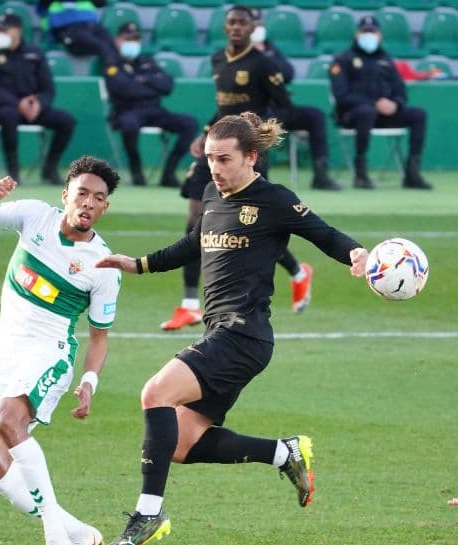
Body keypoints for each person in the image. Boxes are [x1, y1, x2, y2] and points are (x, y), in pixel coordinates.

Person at [95, 113, 369, 545]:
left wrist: (356, 253)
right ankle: (283, 453)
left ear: (251, 157)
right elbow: (192, 244)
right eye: (209, 158)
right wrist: (139, 264)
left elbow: (324, 234)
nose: (215, 168)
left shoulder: (275, 199)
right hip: (224, 334)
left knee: (156, 393)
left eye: (224, 159)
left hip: (243, 336)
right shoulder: (210, 194)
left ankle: (148, 512)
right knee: (181, 446)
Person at [0, 156, 123, 545]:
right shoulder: (34, 217)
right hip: (5, 356)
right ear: (66, 196)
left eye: (98, 198)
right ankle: (79, 532)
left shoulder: (103, 265)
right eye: (82, 193)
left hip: (51, 352)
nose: (88, 203)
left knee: (9, 420)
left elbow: (100, 334)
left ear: (104, 208)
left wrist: (89, 381)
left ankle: (54, 537)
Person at [162, 4, 313, 331]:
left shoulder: (263, 64)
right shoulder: (218, 60)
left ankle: (298, 271)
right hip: (216, 149)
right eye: (231, 22)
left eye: (242, 23)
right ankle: (189, 304)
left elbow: (285, 105)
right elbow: (221, 107)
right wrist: (205, 133)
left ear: (253, 27)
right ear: (225, 27)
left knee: (253, 226)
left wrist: (258, 134)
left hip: (245, 153)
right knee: (197, 222)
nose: (235, 28)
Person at [330, 15, 432, 190]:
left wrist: (395, 104)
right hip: (352, 115)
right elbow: (341, 95)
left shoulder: (386, 59)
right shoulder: (343, 59)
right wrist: (374, 102)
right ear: (357, 34)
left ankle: (412, 174)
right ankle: (360, 174)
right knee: (366, 111)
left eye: (373, 31)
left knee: (418, 114)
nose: (369, 35)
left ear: (380, 35)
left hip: (384, 115)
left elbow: (400, 91)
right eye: (365, 31)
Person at [0, 13, 77, 184]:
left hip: (32, 109)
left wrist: (39, 104)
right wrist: (18, 104)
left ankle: (49, 169)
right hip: (3, 108)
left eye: (5, 29)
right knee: (9, 116)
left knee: (67, 121)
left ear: (18, 31)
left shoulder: (35, 53)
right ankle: (12, 171)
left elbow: (48, 88)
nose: (1, 33)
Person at [250, 8, 341, 191]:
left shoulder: (271, 49)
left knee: (315, 115)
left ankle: (320, 175)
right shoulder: (237, 52)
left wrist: (266, 60)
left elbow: (288, 72)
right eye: (253, 26)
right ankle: (261, 180)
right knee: (261, 122)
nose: (256, 30)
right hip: (256, 110)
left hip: (280, 106)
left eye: (259, 25)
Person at [103, 22, 198, 187]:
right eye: (128, 39)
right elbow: (125, 90)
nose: (132, 43)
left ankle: (168, 173)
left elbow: (167, 85)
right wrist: (151, 86)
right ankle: (136, 172)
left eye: (135, 39)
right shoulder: (112, 64)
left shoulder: (147, 61)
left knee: (189, 124)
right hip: (127, 111)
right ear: (118, 41)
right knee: (129, 125)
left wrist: (144, 80)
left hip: (155, 111)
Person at [36, 0, 117, 63]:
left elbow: (101, 2)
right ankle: (113, 72)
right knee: (102, 47)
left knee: (111, 45)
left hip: (91, 24)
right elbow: (42, 7)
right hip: (65, 27)